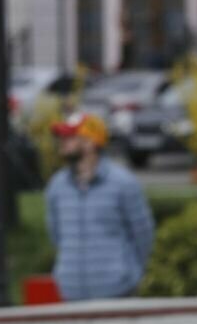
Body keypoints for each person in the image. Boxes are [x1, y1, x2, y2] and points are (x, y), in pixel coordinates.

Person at [45, 112, 156, 301]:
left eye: (70, 137)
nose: (62, 142)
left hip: (117, 290)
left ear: (90, 142)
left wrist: (132, 274)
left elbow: (143, 234)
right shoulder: (57, 186)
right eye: (62, 137)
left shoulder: (124, 183)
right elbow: (56, 235)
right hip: (71, 290)